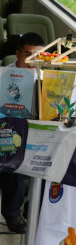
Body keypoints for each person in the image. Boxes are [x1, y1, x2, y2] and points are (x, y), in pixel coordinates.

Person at [0, 32, 45, 233]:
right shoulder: (3, 76)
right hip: (7, 132)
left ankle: (34, 211)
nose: (31, 61)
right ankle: (13, 216)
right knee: (14, 161)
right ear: (18, 54)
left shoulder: (48, 77)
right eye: (27, 55)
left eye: (37, 56)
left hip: (38, 133)